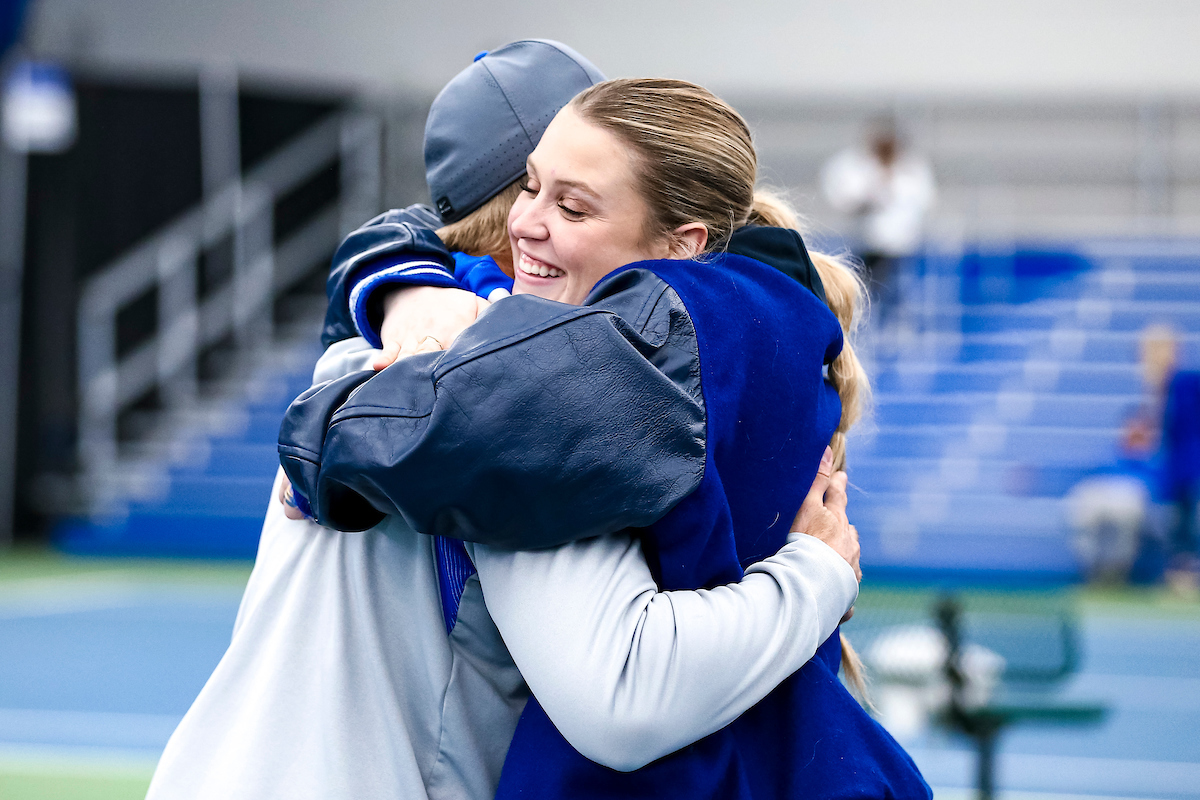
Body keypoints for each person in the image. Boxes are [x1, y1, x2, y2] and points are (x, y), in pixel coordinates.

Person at [147, 44, 867, 800]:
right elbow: (623, 697)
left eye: (575, 201)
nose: (536, 222)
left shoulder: (401, 345)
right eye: (534, 188)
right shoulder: (534, 391)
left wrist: (389, 287)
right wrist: (816, 574)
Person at [821, 119, 935, 332]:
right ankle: (865, 329)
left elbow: (921, 201)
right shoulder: (855, 166)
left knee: (895, 293)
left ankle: (895, 329)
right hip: (864, 245)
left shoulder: (912, 169)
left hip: (901, 247)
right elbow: (843, 197)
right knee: (864, 293)